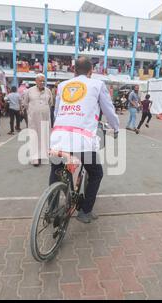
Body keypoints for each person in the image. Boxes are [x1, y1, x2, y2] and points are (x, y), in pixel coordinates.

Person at [50, 57, 119, 224]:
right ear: (91, 72)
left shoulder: (62, 86)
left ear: (74, 71)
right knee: (96, 173)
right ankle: (85, 211)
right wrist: (115, 128)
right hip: (82, 140)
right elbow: (109, 111)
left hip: (58, 137)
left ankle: (51, 208)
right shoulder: (97, 85)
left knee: (56, 170)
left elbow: (56, 113)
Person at [22, 74, 53, 167]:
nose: (42, 82)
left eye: (44, 81)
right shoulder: (29, 91)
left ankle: (43, 156)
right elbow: (25, 103)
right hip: (34, 120)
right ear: (36, 81)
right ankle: (35, 158)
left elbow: (50, 103)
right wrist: (33, 111)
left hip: (45, 119)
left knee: (44, 137)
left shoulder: (48, 91)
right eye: (40, 80)